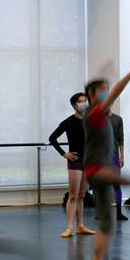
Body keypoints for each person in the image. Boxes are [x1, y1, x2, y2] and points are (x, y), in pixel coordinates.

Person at [83, 58, 130, 260]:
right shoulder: (94, 113)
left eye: (107, 92)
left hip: (102, 173)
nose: (107, 95)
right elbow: (120, 88)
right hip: (97, 171)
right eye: (102, 92)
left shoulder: (106, 117)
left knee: (107, 224)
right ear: (92, 96)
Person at [48, 93, 95, 238]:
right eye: (81, 101)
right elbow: (52, 138)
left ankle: (80, 225)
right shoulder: (68, 122)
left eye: (85, 101)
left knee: (82, 195)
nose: (84, 103)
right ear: (75, 105)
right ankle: (69, 227)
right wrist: (64, 153)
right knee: (73, 195)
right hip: (75, 161)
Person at [109, 110, 128, 221]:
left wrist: (122, 156)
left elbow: (121, 139)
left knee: (116, 184)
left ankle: (119, 213)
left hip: (113, 156)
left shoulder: (117, 119)